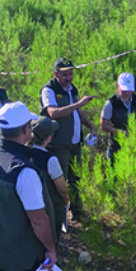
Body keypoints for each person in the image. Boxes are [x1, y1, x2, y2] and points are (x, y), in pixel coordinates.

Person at [0, 101, 57, 271]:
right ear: (26, 130)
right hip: (24, 258)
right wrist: (51, 249)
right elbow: (38, 220)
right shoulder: (24, 172)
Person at [39, 58, 98, 218]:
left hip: (74, 142)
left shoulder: (72, 89)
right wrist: (79, 103)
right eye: (65, 74)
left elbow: (77, 112)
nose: (69, 77)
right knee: (59, 180)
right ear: (56, 74)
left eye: (71, 73)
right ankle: (57, 215)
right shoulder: (49, 90)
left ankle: (77, 212)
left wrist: (91, 126)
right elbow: (54, 113)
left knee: (76, 177)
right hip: (58, 143)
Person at [29, 117, 70, 243]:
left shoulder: (23, 154)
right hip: (50, 207)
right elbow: (61, 188)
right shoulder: (50, 160)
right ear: (48, 138)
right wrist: (66, 199)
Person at [100, 72, 136, 162]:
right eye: (123, 90)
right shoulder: (111, 103)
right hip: (116, 147)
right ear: (118, 86)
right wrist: (121, 133)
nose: (126, 92)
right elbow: (103, 125)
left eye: (129, 90)